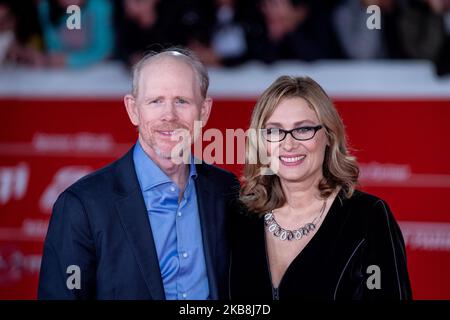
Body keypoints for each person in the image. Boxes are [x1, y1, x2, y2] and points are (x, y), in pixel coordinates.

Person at [38, 48, 240, 299]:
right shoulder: (82, 206)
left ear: (204, 111)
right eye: (156, 101)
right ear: (133, 110)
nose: (169, 115)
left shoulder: (225, 191)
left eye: (182, 101)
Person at [230, 76, 412, 300]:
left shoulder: (368, 217)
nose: (288, 144)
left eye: (303, 129)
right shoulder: (238, 216)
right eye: (275, 131)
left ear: (329, 135)